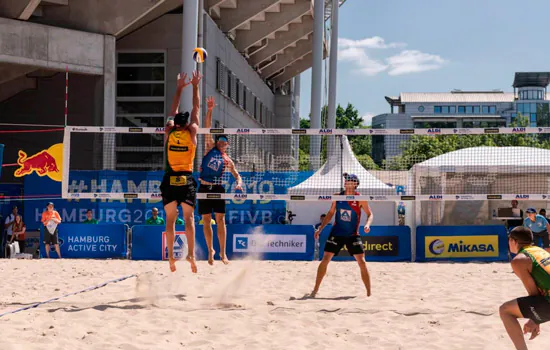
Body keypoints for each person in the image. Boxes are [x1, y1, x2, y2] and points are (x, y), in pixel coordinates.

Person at [161, 70, 202, 273]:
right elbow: (196, 108)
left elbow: (173, 109)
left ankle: (170, 257)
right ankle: (191, 254)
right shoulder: (192, 132)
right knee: (189, 220)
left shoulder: (168, 131)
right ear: (186, 125)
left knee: (170, 220)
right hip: (186, 179)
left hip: (169, 179)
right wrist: (195, 86)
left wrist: (179, 87)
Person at [310, 173, 373, 297]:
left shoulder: (360, 198)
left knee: (362, 262)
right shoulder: (338, 197)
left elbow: (370, 214)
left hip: (352, 234)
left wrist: (367, 225)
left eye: (349, 180)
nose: (346, 182)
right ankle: (315, 290)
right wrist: (320, 228)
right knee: (325, 259)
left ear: (355, 184)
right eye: (346, 180)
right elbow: (330, 213)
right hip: (337, 233)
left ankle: (369, 294)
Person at [197, 96, 243, 265]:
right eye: (220, 140)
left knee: (221, 219)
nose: (222, 142)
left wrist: (238, 183)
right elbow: (207, 128)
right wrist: (210, 110)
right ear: (217, 142)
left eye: (225, 141)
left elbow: (237, 175)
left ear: (228, 144)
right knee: (206, 220)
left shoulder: (228, 160)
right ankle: (210, 250)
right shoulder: (210, 147)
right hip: (204, 187)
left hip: (218, 189)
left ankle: (223, 253)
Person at [499, 226, 550, 350]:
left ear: (513, 241)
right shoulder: (539, 250)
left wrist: (535, 319)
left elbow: (533, 294)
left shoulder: (519, 260)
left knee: (505, 310)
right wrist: (536, 317)